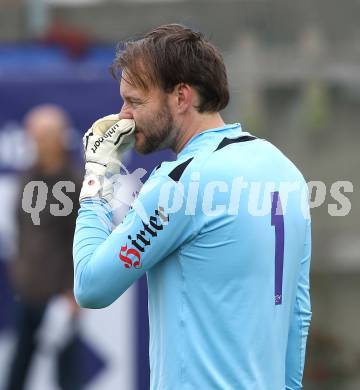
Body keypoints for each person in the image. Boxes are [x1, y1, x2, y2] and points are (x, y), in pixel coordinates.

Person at [73, 24, 311, 389]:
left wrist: (96, 178)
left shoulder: (181, 183)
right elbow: (297, 313)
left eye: (135, 102)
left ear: (181, 97)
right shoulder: (284, 169)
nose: (123, 116)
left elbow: (91, 286)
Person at [6, 104, 81, 390]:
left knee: (67, 372)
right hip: (28, 292)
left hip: (59, 296)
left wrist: (73, 294)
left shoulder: (73, 184)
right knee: (18, 367)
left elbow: (80, 239)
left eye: (40, 136)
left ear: (57, 138)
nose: (35, 143)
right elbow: (22, 230)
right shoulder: (28, 178)